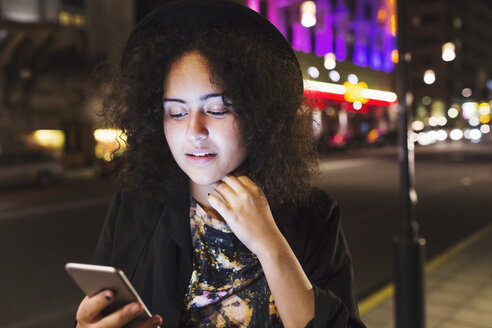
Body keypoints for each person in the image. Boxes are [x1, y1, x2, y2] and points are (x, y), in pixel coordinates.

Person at [75, 1, 366, 327]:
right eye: (176, 112)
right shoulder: (135, 205)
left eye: (217, 109)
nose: (194, 131)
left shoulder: (313, 215)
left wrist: (270, 244)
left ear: (257, 115)